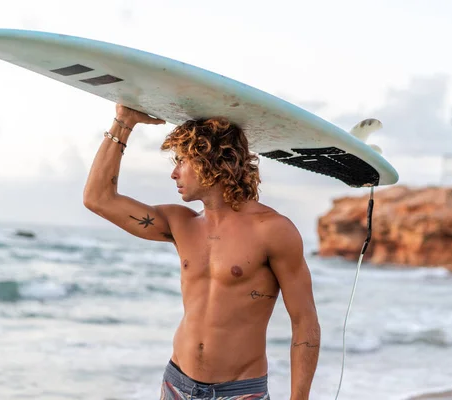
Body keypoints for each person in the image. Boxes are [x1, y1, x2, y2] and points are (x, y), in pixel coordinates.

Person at [83, 104, 320, 400]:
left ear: (212, 162)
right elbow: (98, 198)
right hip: (176, 385)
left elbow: (305, 322)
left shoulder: (273, 230)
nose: (173, 173)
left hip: (239, 392)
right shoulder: (180, 224)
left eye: (182, 160)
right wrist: (124, 121)